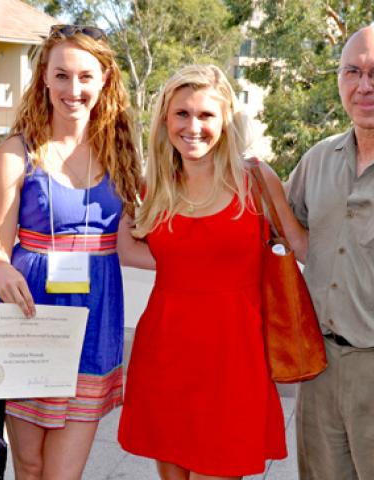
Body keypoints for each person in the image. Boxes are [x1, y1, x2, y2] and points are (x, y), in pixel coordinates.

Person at [117, 64, 307, 480]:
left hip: (234, 360)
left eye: (205, 115)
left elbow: (303, 245)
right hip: (164, 355)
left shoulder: (255, 180)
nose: (193, 126)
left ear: (225, 120)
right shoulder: (152, 187)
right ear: (165, 119)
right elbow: (127, 250)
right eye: (181, 114)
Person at [0, 24, 154, 479]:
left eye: (84, 77)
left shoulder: (121, 155)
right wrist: (1, 272)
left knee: (62, 473)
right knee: (31, 466)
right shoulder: (16, 153)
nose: (72, 89)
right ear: (44, 78)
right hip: (30, 317)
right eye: (61, 75)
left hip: (94, 321)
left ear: (104, 82)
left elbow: (135, 239)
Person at [287, 25, 374, 480]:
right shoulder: (317, 160)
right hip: (318, 365)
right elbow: (280, 228)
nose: (364, 86)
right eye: (352, 71)